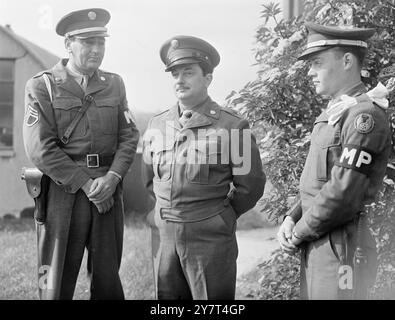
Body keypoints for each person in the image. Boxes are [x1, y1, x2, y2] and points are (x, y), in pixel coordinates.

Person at [23, 8, 139, 300]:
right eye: (88, 42)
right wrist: (88, 185)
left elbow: (129, 136)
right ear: (68, 44)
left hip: (107, 192)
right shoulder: (43, 85)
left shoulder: (114, 84)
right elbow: (40, 148)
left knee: (108, 281)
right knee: (53, 283)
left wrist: (112, 178)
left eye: (101, 42)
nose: (96, 49)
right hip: (64, 193)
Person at [141, 35, 266, 299]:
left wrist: (219, 216)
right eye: (175, 73)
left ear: (208, 78)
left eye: (189, 72)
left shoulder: (233, 127)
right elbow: (150, 181)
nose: (180, 80)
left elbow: (250, 186)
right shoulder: (156, 125)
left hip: (210, 240)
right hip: (165, 239)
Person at [277, 22, 391, 300]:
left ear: (347, 61)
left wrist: (300, 230)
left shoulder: (364, 117)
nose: (310, 72)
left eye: (317, 62)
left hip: (342, 246)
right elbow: (321, 182)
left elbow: (343, 192)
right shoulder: (336, 114)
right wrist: (292, 217)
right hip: (319, 240)